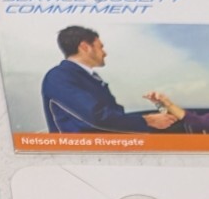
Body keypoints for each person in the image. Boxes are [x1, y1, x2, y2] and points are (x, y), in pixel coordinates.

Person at [40, 26, 182, 134]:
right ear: (85, 47)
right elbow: (97, 117)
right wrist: (147, 121)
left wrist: (156, 113)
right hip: (81, 153)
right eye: (100, 47)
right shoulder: (59, 77)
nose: (105, 53)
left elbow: (113, 115)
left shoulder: (87, 77)